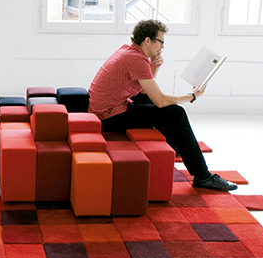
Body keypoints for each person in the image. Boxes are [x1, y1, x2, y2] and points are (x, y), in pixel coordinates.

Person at [88, 19, 238, 191]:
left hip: (107, 108)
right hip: (109, 116)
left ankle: (175, 144)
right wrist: (192, 97)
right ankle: (203, 177)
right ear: (147, 40)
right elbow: (160, 100)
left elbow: (143, 92)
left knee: (154, 103)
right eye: (161, 42)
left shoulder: (129, 51)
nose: (162, 47)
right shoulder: (136, 59)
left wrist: (154, 67)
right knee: (176, 113)